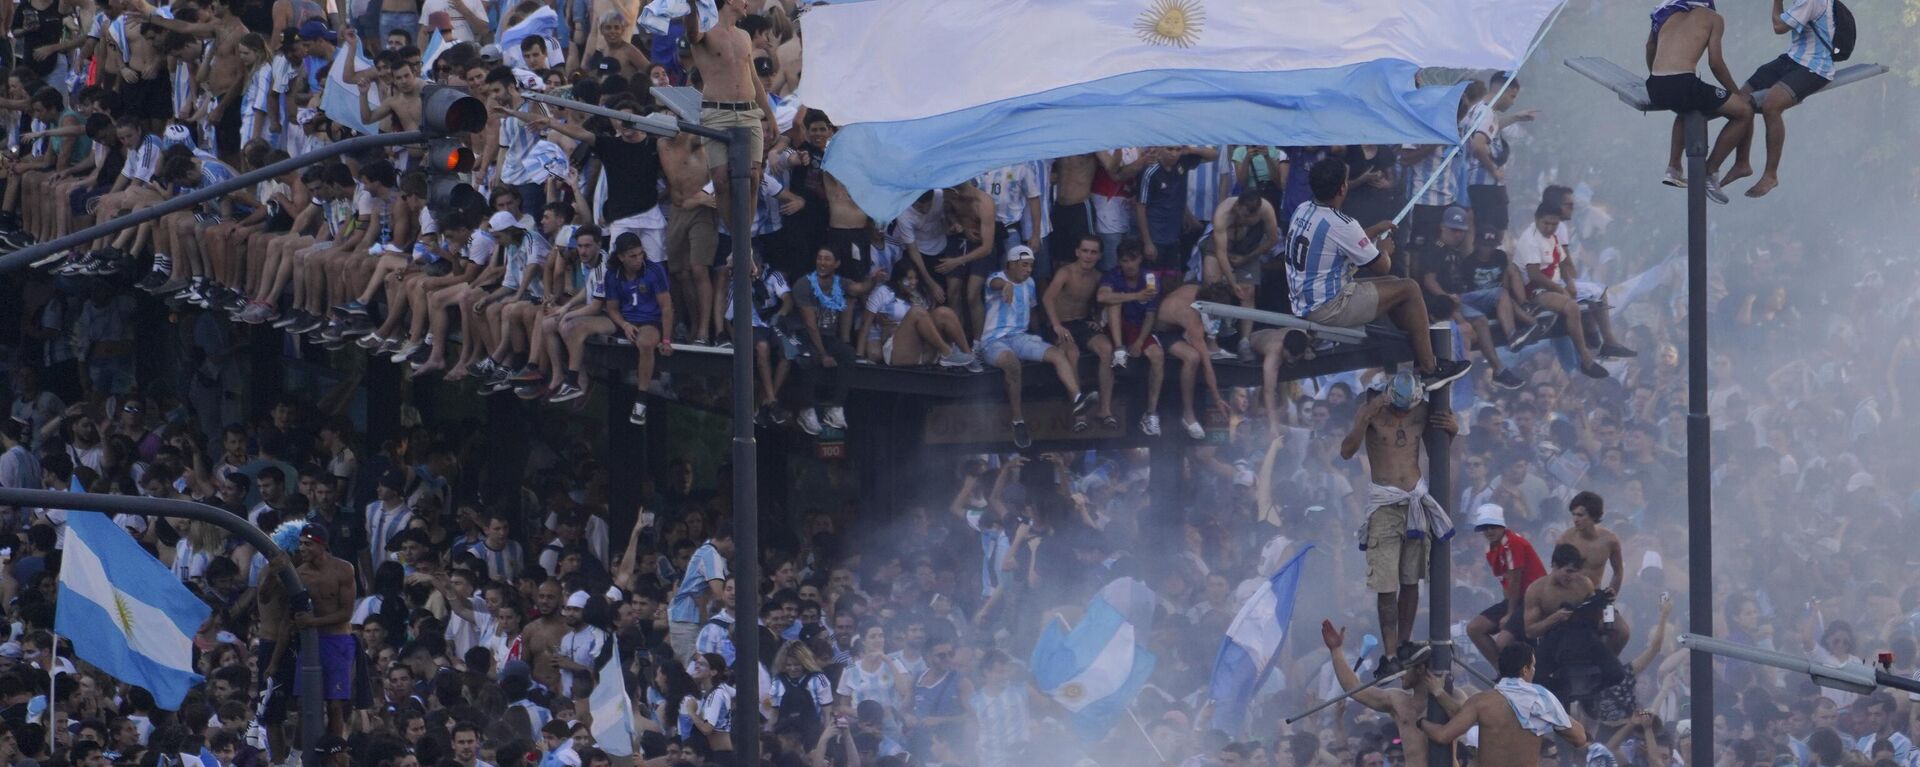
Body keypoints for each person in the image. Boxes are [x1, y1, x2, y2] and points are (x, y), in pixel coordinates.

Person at [1288, 159, 1470, 390]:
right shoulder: (1343, 223)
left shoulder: (1303, 209)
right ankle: (1430, 370)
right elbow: (1381, 265)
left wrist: (1374, 230)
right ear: (1343, 188)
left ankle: (1417, 349)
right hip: (1328, 307)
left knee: (1394, 285)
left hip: (1304, 301)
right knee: (1409, 288)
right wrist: (1385, 250)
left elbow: (1340, 240)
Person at [1339, 370, 1458, 672]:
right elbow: (1346, 451)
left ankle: (1404, 644)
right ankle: (1390, 655)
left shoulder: (1423, 411)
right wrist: (1364, 419)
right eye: (1398, 407)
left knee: (1411, 580)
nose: (1402, 413)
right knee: (1386, 586)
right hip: (1385, 504)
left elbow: (1437, 451)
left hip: (1415, 501)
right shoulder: (1372, 410)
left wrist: (1452, 432)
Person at [982, 245, 1093, 448]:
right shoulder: (995, 277)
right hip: (994, 341)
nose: (1028, 270)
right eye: (1024, 265)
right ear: (1012, 264)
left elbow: (1032, 312)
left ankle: (1077, 398)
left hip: (1021, 338)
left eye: (1031, 266)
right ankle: (1018, 421)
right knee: (1011, 362)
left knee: (1058, 354)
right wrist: (1006, 286)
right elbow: (996, 283)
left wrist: (1040, 336)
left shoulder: (1030, 283)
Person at [1727, 0, 1837, 197]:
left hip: (1814, 66)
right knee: (1741, 100)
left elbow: (1779, 26)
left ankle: (1771, 175)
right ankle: (1742, 163)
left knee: (1771, 105)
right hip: (1793, 59)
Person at [1645, 0, 1752, 202]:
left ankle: (1673, 168)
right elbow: (1716, 63)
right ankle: (1709, 172)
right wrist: (1736, 92)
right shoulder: (1713, 18)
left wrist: (1656, 75)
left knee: (1687, 108)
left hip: (1655, 85)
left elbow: (1650, 46)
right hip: (1683, 84)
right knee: (1744, 111)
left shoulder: (1668, 13)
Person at [1420, 644, 1591, 767]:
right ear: (1525, 670)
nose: (1533, 671)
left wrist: (1421, 722)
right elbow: (1580, 738)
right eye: (1533, 667)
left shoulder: (1482, 702)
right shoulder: (1541, 699)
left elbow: (1443, 735)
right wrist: (1554, 714)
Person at [1320, 620, 1443, 767]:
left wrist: (1441, 693)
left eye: (1405, 668)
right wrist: (1336, 650)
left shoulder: (1449, 698)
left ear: (1420, 669)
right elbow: (1354, 687)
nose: (1400, 674)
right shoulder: (1397, 700)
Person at [1042, 234, 1120, 430]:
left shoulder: (1098, 277)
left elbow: (1103, 302)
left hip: (1083, 323)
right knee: (1072, 353)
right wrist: (1056, 325)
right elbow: (1047, 298)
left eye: (1093, 252)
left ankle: (1105, 409)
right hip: (1061, 324)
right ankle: (1080, 414)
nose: (1088, 256)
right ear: (1077, 252)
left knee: (1106, 348)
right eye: (1085, 251)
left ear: (1100, 255)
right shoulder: (1065, 272)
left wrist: (1098, 320)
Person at [293, 523, 359, 738]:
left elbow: (346, 613)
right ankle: (303, 754)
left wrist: (313, 622)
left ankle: (334, 750)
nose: (302, 548)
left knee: (334, 704)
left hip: (337, 641)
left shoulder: (343, 569)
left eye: (308, 544)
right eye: (301, 543)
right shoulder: (298, 574)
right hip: (311, 643)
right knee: (305, 703)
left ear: (322, 545)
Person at [1465, 503, 1547, 668]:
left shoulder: (1513, 543)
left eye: (1493, 527)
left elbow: (1515, 580)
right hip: (1515, 599)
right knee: (1475, 628)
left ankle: (1520, 673)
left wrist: (1509, 614)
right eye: (1485, 527)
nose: (1489, 531)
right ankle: (1502, 672)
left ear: (1502, 526)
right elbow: (1506, 582)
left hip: (1533, 598)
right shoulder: (1490, 549)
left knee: (1503, 641)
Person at [1555, 491, 1630, 653]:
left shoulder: (1610, 540)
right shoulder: (1565, 539)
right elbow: (1555, 573)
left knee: (1621, 631)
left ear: (1593, 516)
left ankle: (1605, 667)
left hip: (1597, 599)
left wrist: (1612, 592)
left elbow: (1618, 570)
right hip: (1570, 599)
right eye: (1573, 514)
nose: (1576, 519)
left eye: (1581, 515)